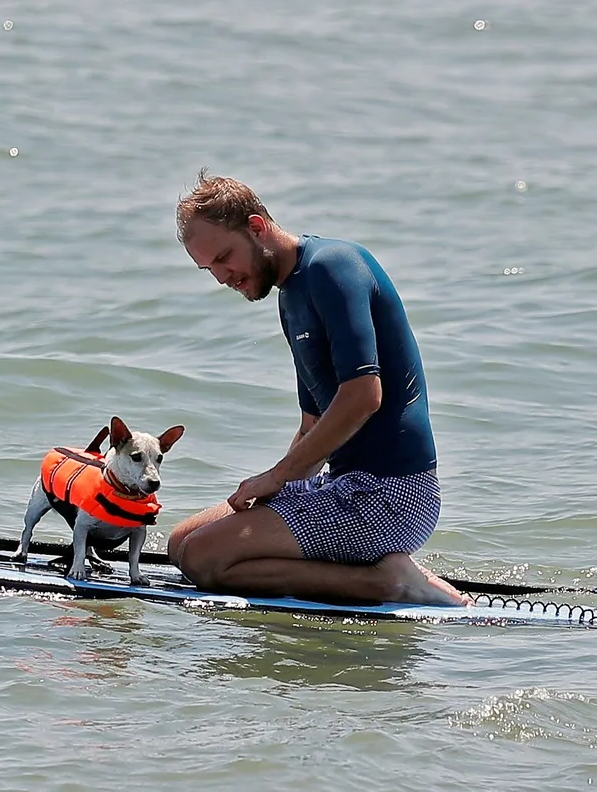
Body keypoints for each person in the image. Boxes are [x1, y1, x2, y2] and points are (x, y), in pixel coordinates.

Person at [165, 173, 465, 607]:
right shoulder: (291, 298)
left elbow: (364, 396)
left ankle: (387, 582)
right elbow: (313, 425)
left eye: (224, 257)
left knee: (204, 559)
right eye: (209, 267)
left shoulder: (331, 266)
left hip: (393, 496)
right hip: (345, 486)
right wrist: (277, 489)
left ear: (256, 227)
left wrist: (278, 477)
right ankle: (355, 568)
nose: (221, 277)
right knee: (181, 543)